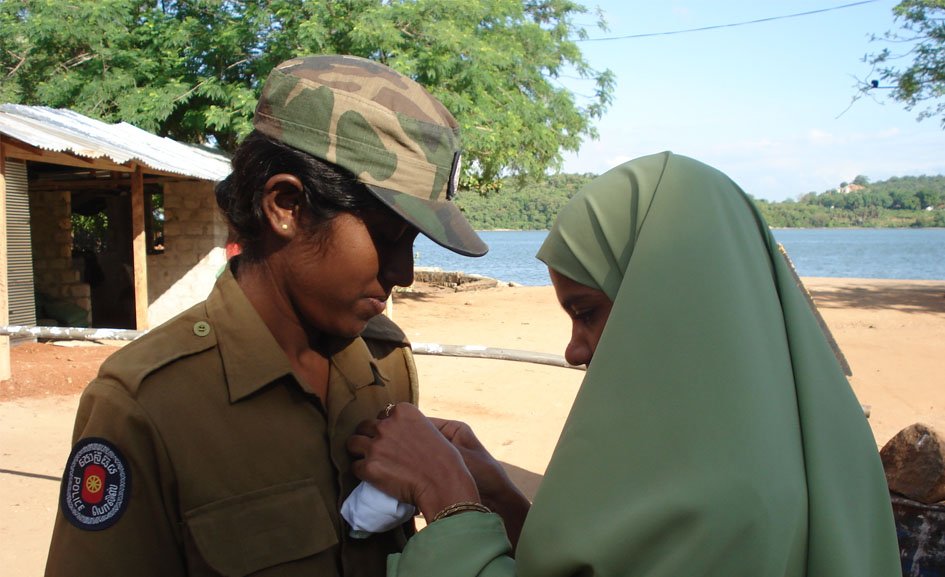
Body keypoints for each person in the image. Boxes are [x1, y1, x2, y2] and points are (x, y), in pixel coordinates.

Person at [347, 151, 902, 576]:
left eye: (587, 313)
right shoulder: (794, 449)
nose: (574, 350)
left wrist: (448, 499)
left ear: (669, 308)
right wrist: (497, 497)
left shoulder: (722, 503)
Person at [45, 54, 487, 577]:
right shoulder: (147, 405)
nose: (405, 272)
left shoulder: (384, 361)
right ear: (285, 206)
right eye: (388, 236)